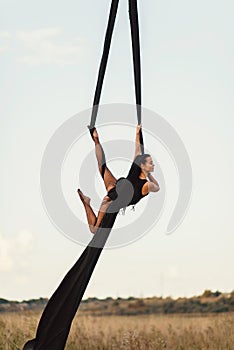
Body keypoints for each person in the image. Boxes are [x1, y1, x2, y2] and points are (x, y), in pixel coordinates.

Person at [77, 124, 160, 234]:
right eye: (151, 163)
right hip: (110, 199)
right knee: (94, 230)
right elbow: (157, 187)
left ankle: (96, 140)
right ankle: (86, 203)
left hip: (116, 186)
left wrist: (136, 133)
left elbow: (137, 151)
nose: (153, 165)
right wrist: (149, 175)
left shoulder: (135, 170)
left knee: (102, 165)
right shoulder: (147, 185)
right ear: (143, 165)